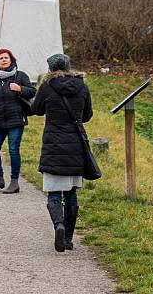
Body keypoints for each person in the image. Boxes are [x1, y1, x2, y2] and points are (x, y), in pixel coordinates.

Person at [31, 53, 93, 252]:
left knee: (54, 190)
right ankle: (67, 238)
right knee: (72, 192)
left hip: (53, 144)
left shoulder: (47, 87)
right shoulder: (81, 86)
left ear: (50, 68)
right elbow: (88, 115)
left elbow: (37, 109)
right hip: (75, 144)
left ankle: (58, 224)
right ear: (68, 67)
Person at [0, 48, 36, 194]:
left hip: (16, 119)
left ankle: (14, 181)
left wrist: (20, 88)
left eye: (6, 58)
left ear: (11, 60)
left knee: (13, 149)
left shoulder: (20, 76)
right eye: (1, 58)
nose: (4, 60)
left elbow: (32, 91)